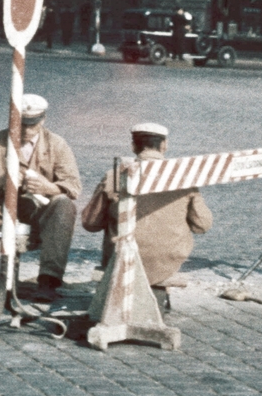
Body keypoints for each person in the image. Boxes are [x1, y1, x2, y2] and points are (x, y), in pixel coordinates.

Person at [0, 93, 80, 299]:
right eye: (22, 124)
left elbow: (73, 186)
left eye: (33, 124)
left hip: (37, 211)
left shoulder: (57, 144)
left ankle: (49, 279)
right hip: (0, 207)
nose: (27, 130)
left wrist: (49, 187)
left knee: (64, 204)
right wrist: (2, 181)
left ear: (43, 120)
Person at [81, 122, 212, 312]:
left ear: (134, 146)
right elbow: (203, 225)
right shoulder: (184, 178)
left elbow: (90, 223)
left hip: (122, 259)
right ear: (164, 145)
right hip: (166, 261)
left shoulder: (115, 175)